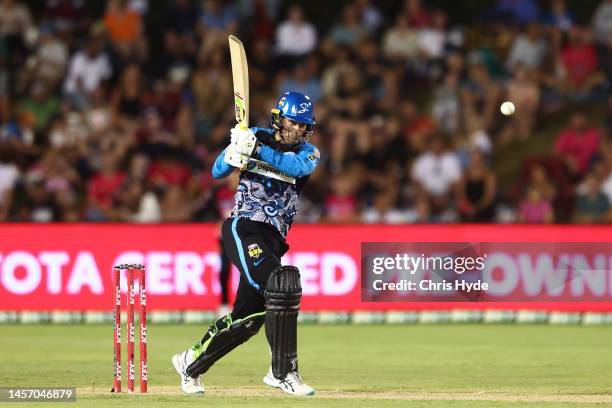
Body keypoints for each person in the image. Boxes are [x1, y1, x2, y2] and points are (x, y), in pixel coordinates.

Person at [172, 91, 319, 396]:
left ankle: (189, 363)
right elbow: (217, 172)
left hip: (274, 239)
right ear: (279, 118)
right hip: (244, 228)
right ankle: (283, 371)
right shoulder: (252, 135)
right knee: (283, 286)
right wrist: (235, 152)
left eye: (304, 126)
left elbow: (293, 169)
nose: (299, 130)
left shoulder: (309, 153)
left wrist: (256, 151)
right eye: (293, 122)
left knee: (248, 321)